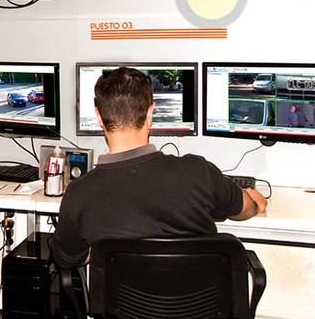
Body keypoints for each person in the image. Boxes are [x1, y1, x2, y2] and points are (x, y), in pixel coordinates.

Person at [52, 67, 267, 268]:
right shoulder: (198, 172)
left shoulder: (80, 193)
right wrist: (255, 202)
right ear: (150, 114)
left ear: (98, 116)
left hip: (124, 297)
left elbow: (67, 258)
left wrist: (102, 250)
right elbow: (245, 209)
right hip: (197, 296)